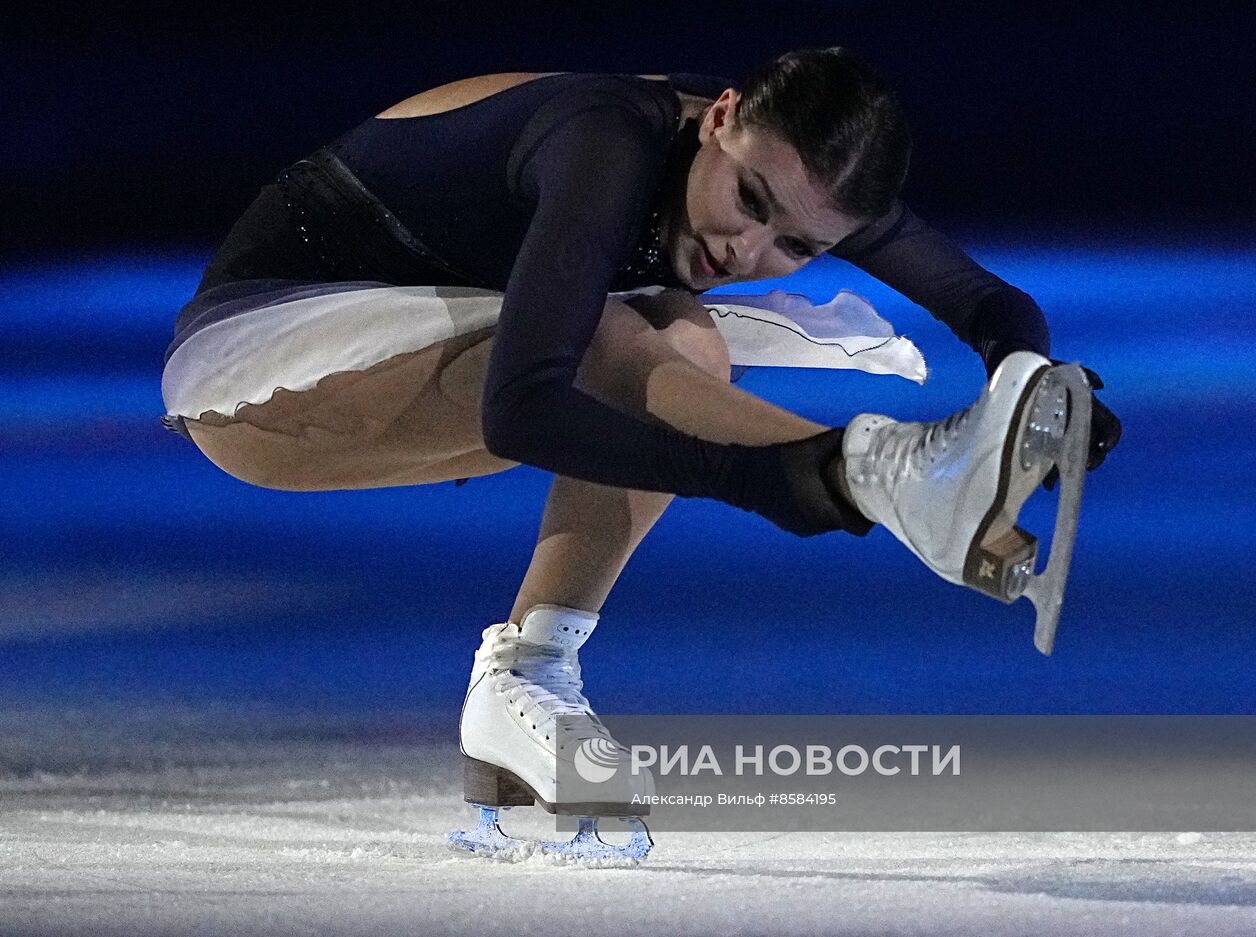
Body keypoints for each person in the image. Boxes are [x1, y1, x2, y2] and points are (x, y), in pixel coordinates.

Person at [160, 48, 1120, 859]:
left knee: (690, 340)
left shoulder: (790, 177)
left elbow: (985, 303)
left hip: (438, 355)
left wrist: (1034, 384)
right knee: (625, 339)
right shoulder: (606, 140)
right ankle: (882, 472)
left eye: (796, 245)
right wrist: (766, 479)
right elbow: (523, 411)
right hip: (264, 371)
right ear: (722, 117)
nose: (750, 249)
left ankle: (528, 675)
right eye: (749, 199)